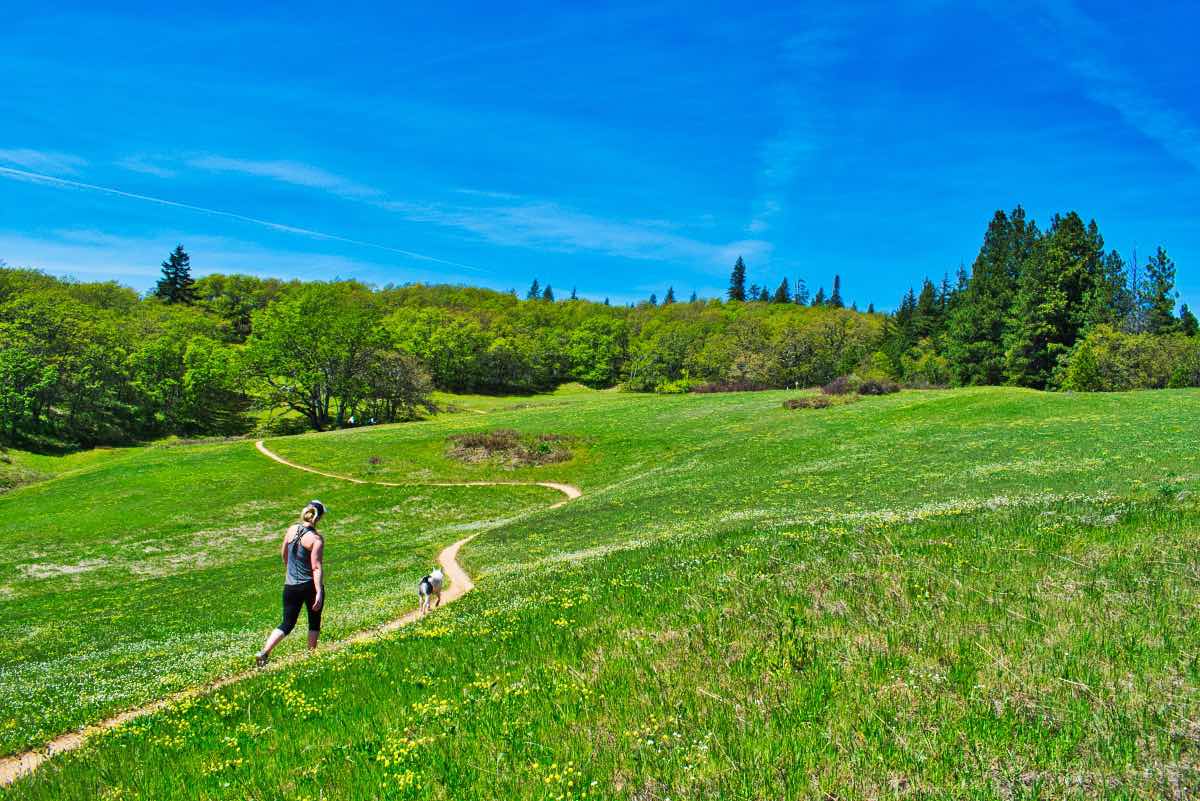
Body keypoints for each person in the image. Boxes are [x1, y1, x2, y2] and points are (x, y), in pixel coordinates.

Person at [255, 500, 326, 667]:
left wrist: (291, 572)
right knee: (314, 621)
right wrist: (319, 592)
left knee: (287, 623)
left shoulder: (291, 529)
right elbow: (316, 567)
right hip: (308, 585)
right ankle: (311, 657)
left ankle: (264, 652)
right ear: (319, 517)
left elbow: (284, 555)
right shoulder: (316, 539)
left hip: (290, 585)